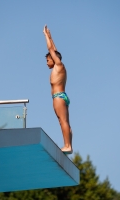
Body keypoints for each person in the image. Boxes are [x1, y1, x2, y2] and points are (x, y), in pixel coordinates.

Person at [43, 25, 73, 154]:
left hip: (58, 97)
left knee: (63, 121)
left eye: (48, 60)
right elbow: (53, 50)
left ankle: (68, 146)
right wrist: (50, 36)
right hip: (62, 96)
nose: (46, 62)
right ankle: (67, 145)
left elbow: (51, 49)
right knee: (63, 121)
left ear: (54, 59)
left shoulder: (59, 65)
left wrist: (45, 35)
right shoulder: (59, 67)